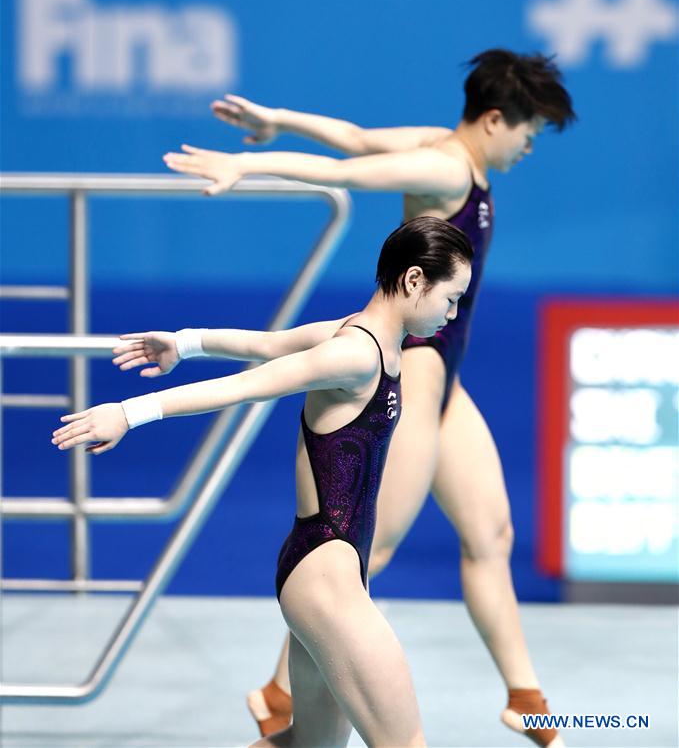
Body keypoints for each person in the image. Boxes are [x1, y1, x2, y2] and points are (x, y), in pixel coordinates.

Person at [162, 49, 575, 748]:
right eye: (528, 133)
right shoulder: (444, 166)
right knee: (367, 545)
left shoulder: (448, 149)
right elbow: (346, 172)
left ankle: (522, 698)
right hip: (412, 373)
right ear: (496, 119)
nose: (529, 147)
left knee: (490, 533)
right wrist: (248, 166)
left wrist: (277, 120)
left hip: (447, 382)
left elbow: (352, 137)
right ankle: (278, 691)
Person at [53, 217, 474, 748]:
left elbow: (267, 344)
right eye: (451, 297)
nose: (452, 313)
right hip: (326, 579)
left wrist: (183, 344)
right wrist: (130, 412)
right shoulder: (355, 353)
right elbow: (250, 384)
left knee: (308, 746)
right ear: (414, 280)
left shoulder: (357, 335)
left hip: (330, 572)